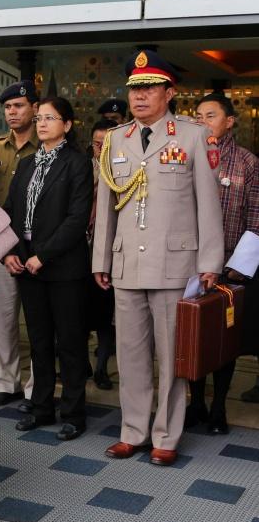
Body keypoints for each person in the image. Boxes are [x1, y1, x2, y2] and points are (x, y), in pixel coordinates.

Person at [92, 50, 224, 466]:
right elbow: (106, 203)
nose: (140, 97)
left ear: (169, 93)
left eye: (149, 88)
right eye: (135, 90)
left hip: (174, 264)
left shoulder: (192, 136)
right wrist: (101, 259)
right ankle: (133, 430)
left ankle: (166, 434)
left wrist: (210, 262)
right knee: (130, 355)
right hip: (127, 263)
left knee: (171, 358)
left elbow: (208, 204)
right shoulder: (115, 139)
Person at [3, 97, 93, 440]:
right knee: (39, 342)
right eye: (38, 118)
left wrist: (43, 255)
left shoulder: (77, 163)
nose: (41, 123)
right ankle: (41, 408)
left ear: (67, 125)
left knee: (69, 343)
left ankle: (73, 412)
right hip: (26, 264)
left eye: (50, 118)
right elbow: (10, 212)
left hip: (63, 267)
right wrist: (10, 251)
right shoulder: (26, 164)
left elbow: (76, 220)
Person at [186, 93, 259, 433]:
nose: (202, 121)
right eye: (197, 116)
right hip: (189, 263)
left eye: (210, 115)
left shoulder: (247, 163)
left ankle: (218, 408)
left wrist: (235, 267)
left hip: (231, 268)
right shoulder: (183, 156)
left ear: (229, 121)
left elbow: (257, 219)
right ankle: (195, 402)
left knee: (225, 339)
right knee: (192, 334)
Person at [0, 81, 39, 408]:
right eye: (8, 107)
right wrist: (2, 250)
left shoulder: (45, 147)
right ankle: (6, 383)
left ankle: (36, 385)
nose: (12, 112)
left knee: (37, 323)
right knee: (1, 321)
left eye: (19, 106)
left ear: (34, 107)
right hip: (1, 249)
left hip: (35, 248)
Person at [88, 118, 118, 390]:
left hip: (110, 252)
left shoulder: (123, 171)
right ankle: (81, 365)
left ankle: (102, 369)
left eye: (107, 143)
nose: (101, 148)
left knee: (106, 315)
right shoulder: (83, 168)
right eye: (97, 143)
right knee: (78, 312)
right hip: (81, 250)